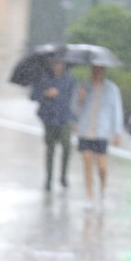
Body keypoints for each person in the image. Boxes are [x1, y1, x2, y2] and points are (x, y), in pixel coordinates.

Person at [73, 65, 123, 206]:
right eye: (94, 69)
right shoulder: (83, 87)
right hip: (85, 131)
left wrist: (117, 132)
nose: (96, 72)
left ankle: (102, 186)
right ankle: (89, 194)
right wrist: (81, 98)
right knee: (87, 162)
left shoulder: (112, 89)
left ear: (104, 71)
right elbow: (74, 110)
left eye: (99, 70)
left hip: (101, 132)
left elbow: (117, 111)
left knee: (101, 166)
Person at [31, 54, 76, 190]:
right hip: (49, 118)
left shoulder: (69, 80)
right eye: (55, 63)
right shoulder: (44, 79)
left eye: (60, 63)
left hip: (64, 118)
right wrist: (45, 93)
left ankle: (63, 175)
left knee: (67, 146)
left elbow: (73, 100)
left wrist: (75, 120)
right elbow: (33, 96)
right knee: (50, 149)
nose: (57, 65)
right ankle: (49, 178)